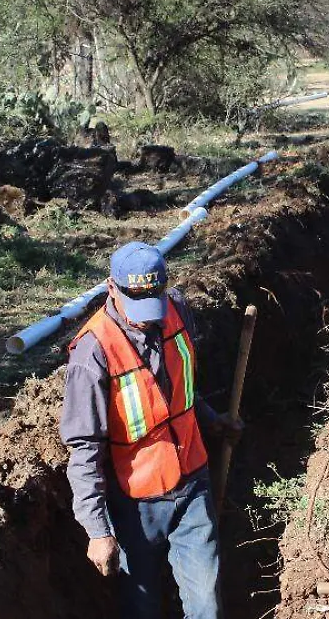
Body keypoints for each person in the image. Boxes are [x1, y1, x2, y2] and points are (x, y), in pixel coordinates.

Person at [60, 241, 243, 619]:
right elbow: (84, 450)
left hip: (193, 482)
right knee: (142, 607)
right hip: (136, 503)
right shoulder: (93, 353)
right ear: (112, 287)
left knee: (206, 602)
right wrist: (97, 529)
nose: (148, 318)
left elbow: (179, 392)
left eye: (154, 304)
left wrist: (212, 420)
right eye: (138, 306)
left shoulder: (175, 310)